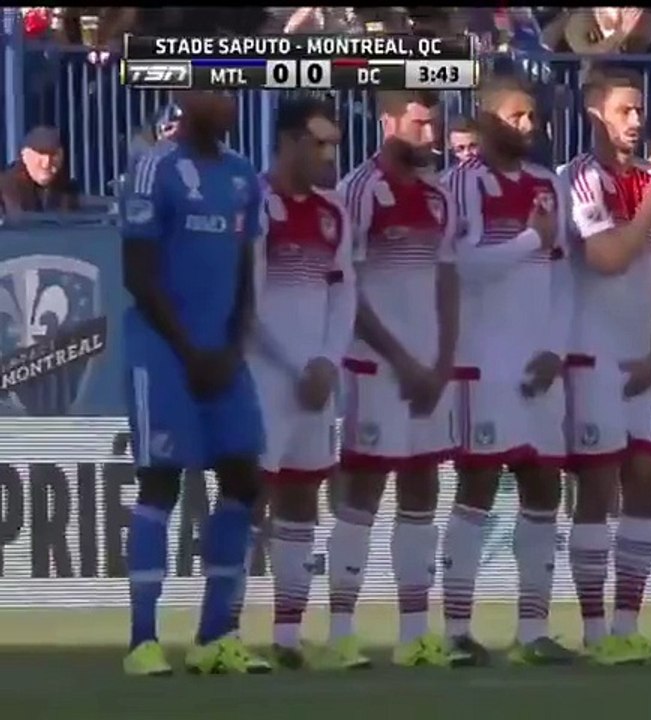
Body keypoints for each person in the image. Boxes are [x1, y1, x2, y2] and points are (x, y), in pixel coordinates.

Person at [120, 91, 270, 676]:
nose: (228, 103)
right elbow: (138, 274)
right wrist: (190, 352)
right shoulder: (154, 168)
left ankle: (215, 635)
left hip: (222, 354)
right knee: (161, 482)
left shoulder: (242, 175)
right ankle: (143, 641)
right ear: (187, 98)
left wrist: (232, 347)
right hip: (163, 352)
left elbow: (244, 272)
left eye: (232, 93)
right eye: (215, 92)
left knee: (243, 479)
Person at [441, 75, 576, 666]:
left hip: (538, 361)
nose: (529, 126)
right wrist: (528, 241)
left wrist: (556, 348)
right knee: (476, 486)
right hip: (483, 361)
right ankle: (455, 629)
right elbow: (458, 267)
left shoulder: (548, 182)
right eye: (517, 116)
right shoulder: (461, 183)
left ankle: (533, 630)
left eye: (532, 116)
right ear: (487, 118)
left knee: (544, 487)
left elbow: (564, 272)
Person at [326, 90, 461, 670]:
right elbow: (347, 288)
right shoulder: (358, 191)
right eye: (419, 124)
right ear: (388, 122)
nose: (431, 136)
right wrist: (401, 360)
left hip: (429, 369)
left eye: (435, 124)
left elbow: (447, 281)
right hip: (377, 369)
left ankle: (414, 634)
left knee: (422, 489)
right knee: (363, 491)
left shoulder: (438, 194)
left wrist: (443, 359)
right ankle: (340, 633)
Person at [559, 68, 651, 665]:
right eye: (623, 111)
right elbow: (606, 256)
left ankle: (627, 624)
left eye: (639, 110)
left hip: (643, 355)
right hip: (592, 354)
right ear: (595, 116)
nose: (636, 121)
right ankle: (594, 629)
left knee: (648, 480)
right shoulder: (577, 179)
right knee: (598, 487)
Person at [245, 97, 354, 670]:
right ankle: (223, 630)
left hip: (314, 379)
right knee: (250, 496)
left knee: (302, 499)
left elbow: (344, 293)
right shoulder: (257, 204)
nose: (329, 155)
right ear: (288, 142)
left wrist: (328, 361)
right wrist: (297, 366)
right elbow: (248, 306)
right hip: (266, 375)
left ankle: (287, 636)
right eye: (319, 143)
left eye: (334, 144)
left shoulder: (334, 211)